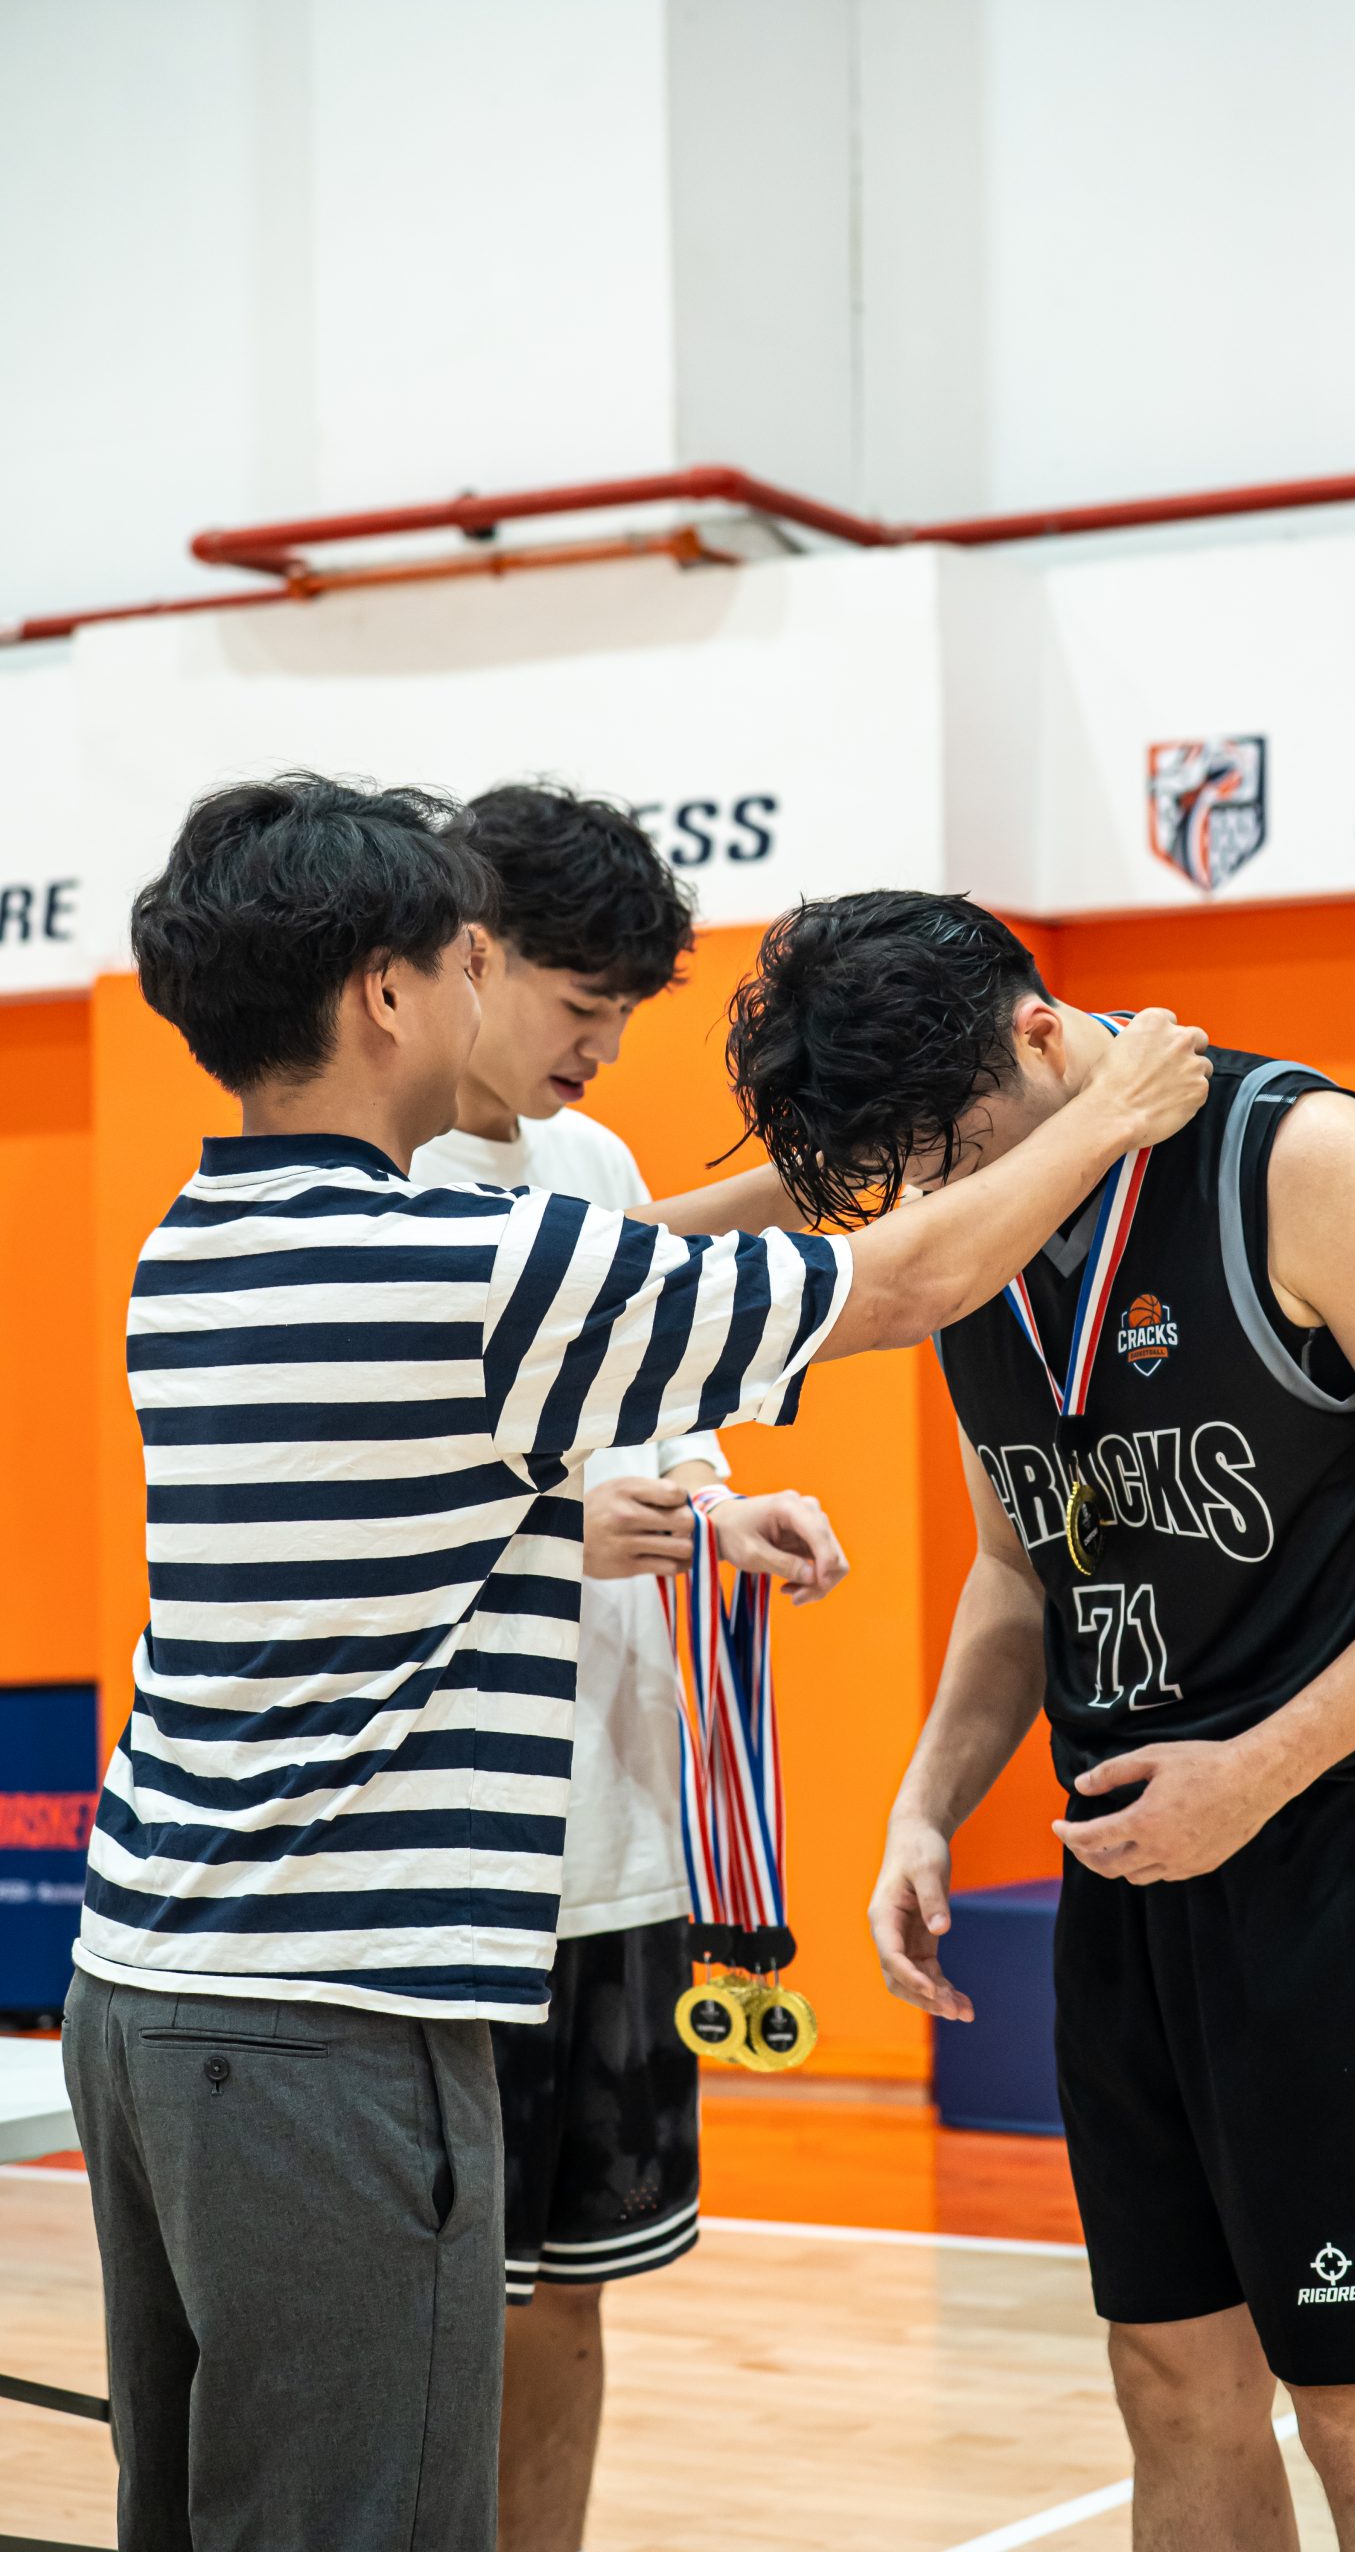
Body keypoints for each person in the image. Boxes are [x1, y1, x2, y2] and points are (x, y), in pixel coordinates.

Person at [62, 779, 1211, 2552]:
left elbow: (581, 1345)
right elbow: (893, 1290)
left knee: (211, 2512)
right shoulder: (467, 1267)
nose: (492, 993)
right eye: (467, 962)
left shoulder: (197, 1249)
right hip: (332, 2031)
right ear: (387, 994)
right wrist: (1113, 1109)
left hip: (143, 1996)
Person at [725, 890, 1355, 2552]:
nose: (944, 1194)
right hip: (1128, 1862)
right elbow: (1018, 1567)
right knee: (1172, 2384)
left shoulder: (1302, 1158)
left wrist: (1257, 1772)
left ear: (1043, 1037)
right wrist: (923, 1805)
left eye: (958, 1149)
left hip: (1344, 1843)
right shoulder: (969, 1230)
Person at [411, 782, 849, 2552]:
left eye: (622, 1014)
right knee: (432, 2317)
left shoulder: (588, 1169)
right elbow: (376, 1512)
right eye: (581, 1004)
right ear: (467, 956)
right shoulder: (376, 1188)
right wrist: (554, 1529)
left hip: (613, 1842)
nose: (601, 1047)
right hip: (445, 1865)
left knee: (571, 2302)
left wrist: (727, 1512)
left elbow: (662, 1432)